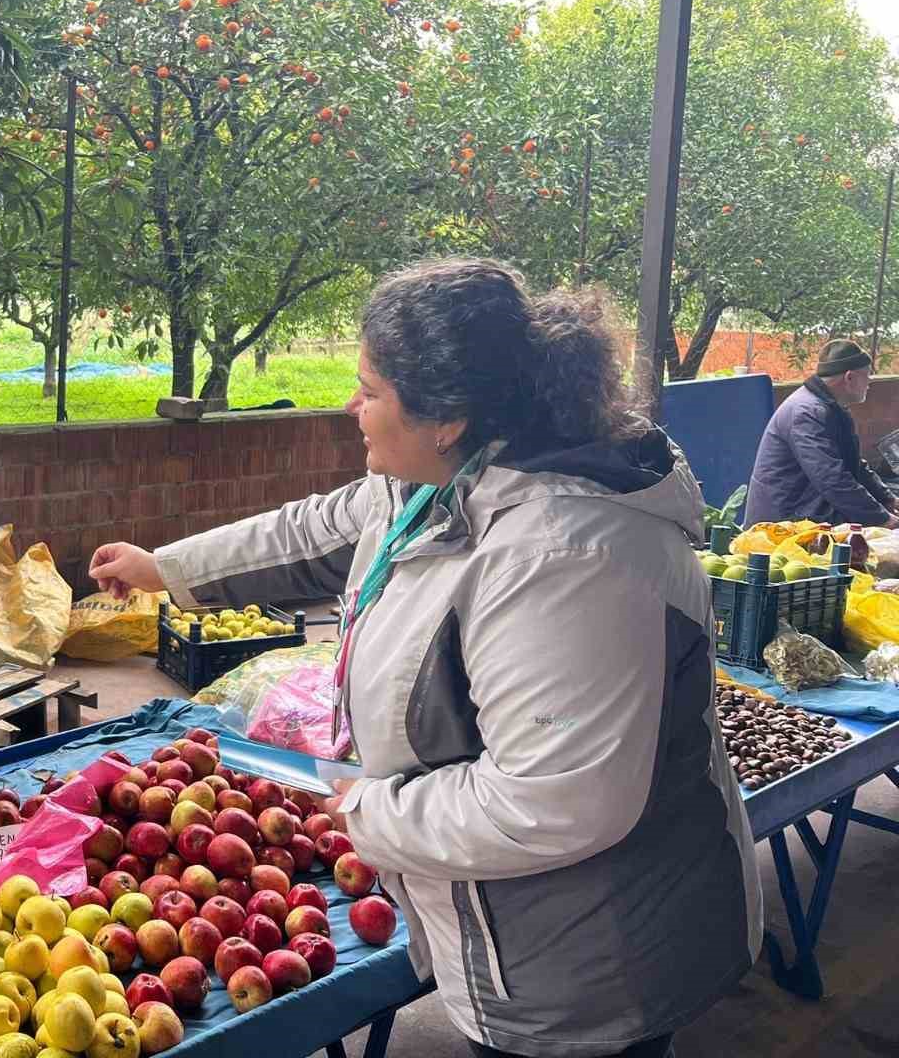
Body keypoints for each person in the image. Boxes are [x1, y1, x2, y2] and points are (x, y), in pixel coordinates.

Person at [89, 258, 760, 1058]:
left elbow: (552, 800)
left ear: (445, 416)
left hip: (589, 959)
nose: (352, 407)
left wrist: (370, 813)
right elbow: (323, 528)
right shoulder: (450, 474)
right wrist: (167, 567)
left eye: (370, 391)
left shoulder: (564, 556)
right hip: (514, 926)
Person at [744, 338, 898, 528]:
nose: (870, 381)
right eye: (867, 375)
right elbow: (832, 478)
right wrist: (881, 518)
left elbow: (853, 465)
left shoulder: (831, 408)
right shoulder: (806, 413)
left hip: (806, 513)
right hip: (781, 525)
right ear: (849, 377)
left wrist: (888, 499)